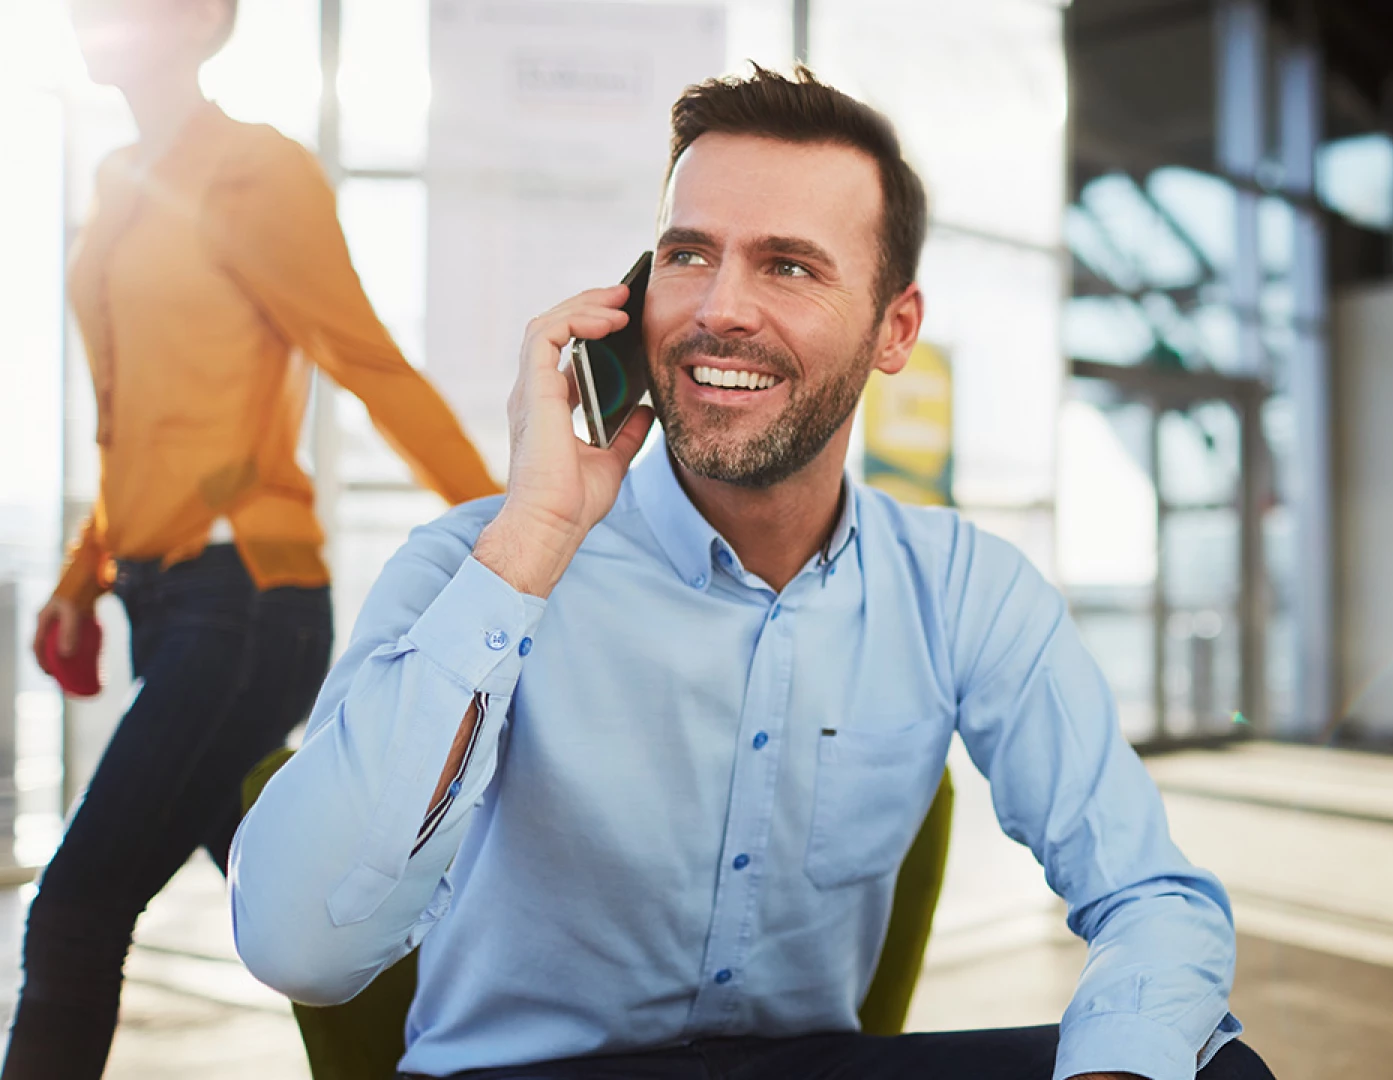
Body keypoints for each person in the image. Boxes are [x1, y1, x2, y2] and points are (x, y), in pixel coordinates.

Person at [231, 66, 1271, 1080]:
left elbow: (1152, 897)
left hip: (806, 1062)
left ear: (893, 329)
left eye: (788, 266)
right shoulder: (476, 566)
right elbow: (299, 949)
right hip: (533, 1068)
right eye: (689, 255)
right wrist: (539, 532)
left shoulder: (961, 588)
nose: (719, 309)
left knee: (1210, 1066)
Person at [7, 0, 500, 1075]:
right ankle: (492, 1035)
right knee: (310, 907)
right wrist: (81, 577)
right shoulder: (113, 186)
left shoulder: (255, 175)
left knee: (76, 908)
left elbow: (368, 363)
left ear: (199, 18)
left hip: (245, 603)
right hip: (159, 595)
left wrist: (523, 540)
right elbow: (133, 416)